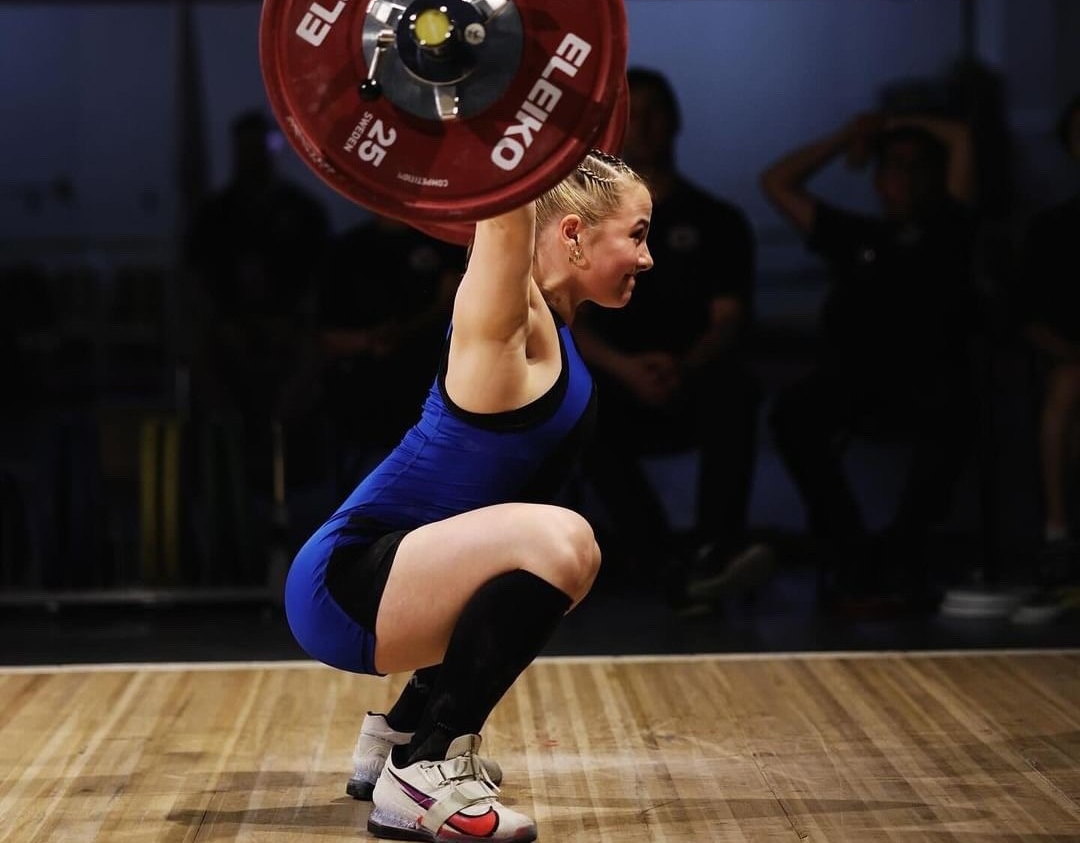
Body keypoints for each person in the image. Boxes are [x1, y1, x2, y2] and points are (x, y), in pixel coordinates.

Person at [284, 149, 653, 843]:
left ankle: (399, 736)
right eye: (636, 235)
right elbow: (502, 211)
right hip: (349, 584)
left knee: (545, 545)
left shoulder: (559, 333)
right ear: (573, 234)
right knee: (564, 542)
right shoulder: (506, 319)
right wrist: (484, 96)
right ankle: (424, 771)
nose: (648, 257)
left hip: (397, 578)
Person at [760, 108, 980, 614]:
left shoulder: (951, 228)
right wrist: (849, 135)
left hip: (930, 384)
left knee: (955, 414)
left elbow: (961, 132)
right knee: (793, 414)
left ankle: (902, 553)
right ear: (878, 178)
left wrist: (896, 122)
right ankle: (851, 552)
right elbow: (776, 182)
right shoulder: (854, 235)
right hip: (854, 383)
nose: (901, 178)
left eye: (914, 166)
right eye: (892, 165)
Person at [571, 66, 769, 609]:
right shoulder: (579, 224)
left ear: (676, 122)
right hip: (615, 380)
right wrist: (627, 369)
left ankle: (714, 551)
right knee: (574, 411)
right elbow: (571, 321)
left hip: (694, 377)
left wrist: (682, 365)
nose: (647, 125)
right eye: (634, 114)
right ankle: (661, 562)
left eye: (657, 111)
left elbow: (728, 318)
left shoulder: (718, 220)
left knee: (738, 392)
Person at [181, 108, 331, 584]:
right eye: (241, 147)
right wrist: (226, 329)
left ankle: (299, 538)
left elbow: (319, 286)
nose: (250, 156)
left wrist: (292, 330)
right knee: (218, 412)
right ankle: (229, 542)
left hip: (290, 341)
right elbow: (196, 284)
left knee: (300, 415)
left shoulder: (303, 211)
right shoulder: (215, 213)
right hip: (230, 342)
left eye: (259, 146)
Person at [316, 214, 464, 497]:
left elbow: (452, 302)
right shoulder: (347, 248)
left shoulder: (443, 243)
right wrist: (370, 340)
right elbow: (323, 335)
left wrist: (406, 332)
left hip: (432, 408)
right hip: (361, 412)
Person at [1011, 93, 1080, 622]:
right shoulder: (1054, 229)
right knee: (1067, 386)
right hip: (1071, 365)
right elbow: (1027, 316)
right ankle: (1058, 539)